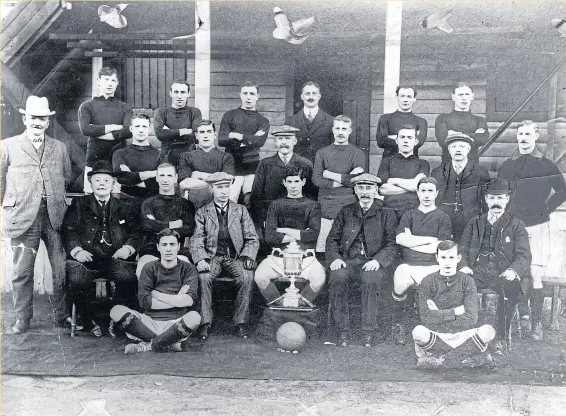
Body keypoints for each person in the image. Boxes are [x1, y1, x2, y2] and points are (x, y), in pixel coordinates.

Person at [1, 96, 72, 334]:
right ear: (24, 119)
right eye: (33, 117)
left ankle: (62, 317)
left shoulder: (59, 148)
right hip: (23, 217)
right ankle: (23, 318)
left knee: (61, 268)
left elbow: (66, 177)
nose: (38, 122)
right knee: (22, 272)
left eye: (42, 118)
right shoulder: (8, 146)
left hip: (54, 216)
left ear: (48, 121)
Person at [497, 120, 566, 341]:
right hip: (512, 226)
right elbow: (500, 193)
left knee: (535, 274)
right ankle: (519, 318)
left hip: (537, 225)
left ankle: (537, 324)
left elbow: (562, 191)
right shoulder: (507, 165)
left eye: (528, 134)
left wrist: (546, 209)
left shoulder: (545, 164)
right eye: (520, 134)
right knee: (513, 271)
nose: (523, 138)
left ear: (536, 136)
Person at [62, 161, 142, 337]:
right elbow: (69, 230)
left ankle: (117, 319)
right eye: (97, 180)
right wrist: (77, 251)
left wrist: (127, 248)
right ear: (90, 183)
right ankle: (90, 319)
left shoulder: (124, 207)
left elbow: (136, 232)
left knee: (128, 278)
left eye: (106, 180)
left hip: (115, 258)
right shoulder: (78, 204)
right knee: (76, 280)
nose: (102, 184)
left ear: (113, 184)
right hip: (86, 259)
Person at [458, 178, 531, 353]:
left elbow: (524, 255)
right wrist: (463, 266)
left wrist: (513, 271)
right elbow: (463, 248)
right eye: (491, 198)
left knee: (511, 288)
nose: (495, 202)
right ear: (485, 199)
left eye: (500, 198)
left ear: (507, 199)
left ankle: (501, 337)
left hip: (502, 272)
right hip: (477, 271)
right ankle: (463, 336)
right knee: (457, 285)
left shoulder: (517, 225)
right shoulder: (474, 222)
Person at [326, 173, 398, 347]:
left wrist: (378, 261)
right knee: (338, 277)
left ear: (375, 190)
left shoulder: (386, 213)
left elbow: (392, 244)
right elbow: (332, 240)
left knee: (370, 280)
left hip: (372, 262)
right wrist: (335, 258)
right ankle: (343, 332)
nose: (365, 192)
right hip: (348, 261)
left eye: (369, 188)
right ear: (355, 190)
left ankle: (368, 332)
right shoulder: (346, 211)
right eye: (361, 188)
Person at [189, 172, 260, 340]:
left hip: (235, 257)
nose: (224, 191)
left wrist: (248, 257)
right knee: (204, 277)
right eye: (219, 187)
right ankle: (205, 323)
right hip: (213, 257)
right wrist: (200, 259)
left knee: (247, 277)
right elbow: (197, 238)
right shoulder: (203, 212)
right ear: (211, 189)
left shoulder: (240, 210)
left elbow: (252, 238)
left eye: (226, 187)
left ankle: (240, 322)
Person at [110, 229, 201, 354]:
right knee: (116, 311)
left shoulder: (188, 268)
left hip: (175, 323)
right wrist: (178, 298)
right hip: (149, 322)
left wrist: (157, 294)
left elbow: (189, 300)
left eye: (172, 244)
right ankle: (165, 343)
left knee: (195, 318)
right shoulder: (149, 267)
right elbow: (145, 302)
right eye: (164, 245)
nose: (168, 249)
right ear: (158, 247)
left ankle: (146, 346)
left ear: (178, 246)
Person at [412, 240, 496, 369]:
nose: (447, 262)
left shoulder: (467, 281)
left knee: (488, 331)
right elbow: (426, 318)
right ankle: (465, 358)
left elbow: (471, 318)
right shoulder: (428, 281)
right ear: (437, 258)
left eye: (451, 257)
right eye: (443, 257)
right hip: (438, 335)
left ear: (458, 258)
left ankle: (442, 360)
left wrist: (438, 313)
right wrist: (456, 311)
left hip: (463, 335)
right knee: (418, 332)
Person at [391, 177, 452, 345]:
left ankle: (435, 328)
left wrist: (413, 241)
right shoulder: (409, 215)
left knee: (440, 288)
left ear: (436, 193)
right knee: (400, 280)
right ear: (417, 193)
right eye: (423, 191)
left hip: (434, 265)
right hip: (410, 264)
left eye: (430, 191)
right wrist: (430, 240)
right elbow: (400, 240)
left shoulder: (442, 217)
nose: (426, 195)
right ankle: (399, 324)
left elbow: (441, 247)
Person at [254, 164, 325, 305]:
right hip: (279, 256)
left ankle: (300, 308)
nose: (293, 186)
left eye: (297, 181)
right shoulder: (275, 205)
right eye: (290, 182)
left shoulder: (313, 206)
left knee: (318, 280)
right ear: (284, 183)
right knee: (260, 277)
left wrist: (282, 229)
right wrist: (300, 234)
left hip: (305, 257)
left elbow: (313, 234)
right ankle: (280, 306)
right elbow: (270, 236)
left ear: (303, 182)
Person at [312, 115, 365, 252]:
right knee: (323, 247)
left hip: (348, 206)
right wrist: (348, 177)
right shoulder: (322, 153)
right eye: (337, 128)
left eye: (344, 129)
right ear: (333, 130)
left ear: (350, 131)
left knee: (345, 246)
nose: (340, 132)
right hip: (326, 205)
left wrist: (329, 174)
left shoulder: (357, 154)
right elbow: (317, 180)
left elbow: (356, 182)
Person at [249, 125, 315, 228]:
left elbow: (312, 195)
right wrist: (261, 222)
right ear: (275, 142)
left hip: (299, 221)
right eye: (280, 139)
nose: (284, 142)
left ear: (295, 141)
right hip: (272, 221)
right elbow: (256, 197)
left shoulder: (306, 164)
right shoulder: (265, 164)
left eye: (288, 138)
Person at [78, 67, 132, 193]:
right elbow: (85, 129)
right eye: (106, 79)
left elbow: (128, 131)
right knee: (90, 196)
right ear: (98, 81)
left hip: (117, 158)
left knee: (115, 197)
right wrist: (112, 128)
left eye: (113, 80)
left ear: (117, 83)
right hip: (94, 157)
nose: (109, 83)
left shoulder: (125, 107)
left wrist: (96, 132)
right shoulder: (87, 106)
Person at [137, 163, 195, 277]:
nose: (165, 179)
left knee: (185, 273)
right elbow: (147, 225)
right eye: (162, 175)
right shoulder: (148, 203)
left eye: (169, 175)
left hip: (177, 249)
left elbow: (188, 229)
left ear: (175, 178)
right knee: (143, 272)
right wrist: (173, 224)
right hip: (152, 248)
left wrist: (157, 224)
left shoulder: (185, 204)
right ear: (157, 178)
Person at [218, 81, 270, 206]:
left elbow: (260, 141)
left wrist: (238, 136)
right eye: (245, 93)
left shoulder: (263, 121)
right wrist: (249, 140)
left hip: (252, 165)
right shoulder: (229, 116)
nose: (248, 97)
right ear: (240, 95)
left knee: (250, 199)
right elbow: (222, 140)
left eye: (252, 94)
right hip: (232, 165)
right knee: (230, 199)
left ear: (257, 96)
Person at [431, 132, 490, 242]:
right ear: (449, 150)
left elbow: (486, 203)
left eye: (462, 146)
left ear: (468, 149)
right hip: (445, 221)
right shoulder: (438, 172)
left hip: (471, 221)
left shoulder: (480, 172)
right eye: (454, 147)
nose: (458, 150)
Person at [178, 120, 235, 209]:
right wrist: (216, 181)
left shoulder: (226, 157)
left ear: (215, 134)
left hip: (218, 206)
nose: (205, 135)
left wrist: (200, 175)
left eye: (209, 131)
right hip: (193, 206)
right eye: (202, 132)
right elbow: (183, 184)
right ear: (196, 135)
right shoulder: (187, 156)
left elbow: (228, 180)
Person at [378, 124, 430, 220]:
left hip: (414, 211)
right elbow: (382, 190)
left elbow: (420, 188)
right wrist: (413, 185)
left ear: (415, 141)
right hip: (389, 211)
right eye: (402, 137)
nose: (405, 140)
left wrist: (394, 181)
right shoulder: (387, 162)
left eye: (409, 137)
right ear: (397, 141)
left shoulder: (423, 164)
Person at [435, 82, 489, 162]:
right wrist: (473, 135)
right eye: (460, 95)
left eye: (467, 94)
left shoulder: (480, 120)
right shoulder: (443, 119)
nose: (464, 98)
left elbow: (482, 139)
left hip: (472, 166)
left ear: (472, 96)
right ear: (453, 97)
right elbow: (443, 141)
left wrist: (454, 135)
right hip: (448, 166)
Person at [153, 79, 202, 166]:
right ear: (170, 93)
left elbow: (196, 136)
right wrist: (185, 131)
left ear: (188, 94)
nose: (179, 96)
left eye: (183, 92)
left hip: (189, 156)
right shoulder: (161, 112)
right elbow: (160, 134)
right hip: (167, 156)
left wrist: (169, 132)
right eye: (176, 92)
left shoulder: (194, 112)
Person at [112, 113, 160, 198]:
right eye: (137, 126)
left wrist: (132, 176)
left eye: (144, 127)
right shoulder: (119, 153)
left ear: (149, 129)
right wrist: (152, 173)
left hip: (152, 202)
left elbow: (162, 181)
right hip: (126, 202)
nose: (140, 130)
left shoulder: (159, 154)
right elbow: (121, 178)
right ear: (131, 128)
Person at [287, 81, 334, 163]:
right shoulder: (291, 121)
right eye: (307, 94)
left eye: (314, 93)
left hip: (322, 169)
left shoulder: (331, 121)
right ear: (302, 96)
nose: (311, 97)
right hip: (298, 169)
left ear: (319, 96)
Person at [376, 85, 428, 159]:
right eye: (402, 96)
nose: (405, 100)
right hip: (389, 164)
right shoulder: (385, 118)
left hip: (412, 164)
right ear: (397, 97)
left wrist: (394, 138)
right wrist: (409, 140)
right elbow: (381, 142)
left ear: (414, 99)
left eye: (409, 96)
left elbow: (419, 143)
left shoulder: (421, 122)